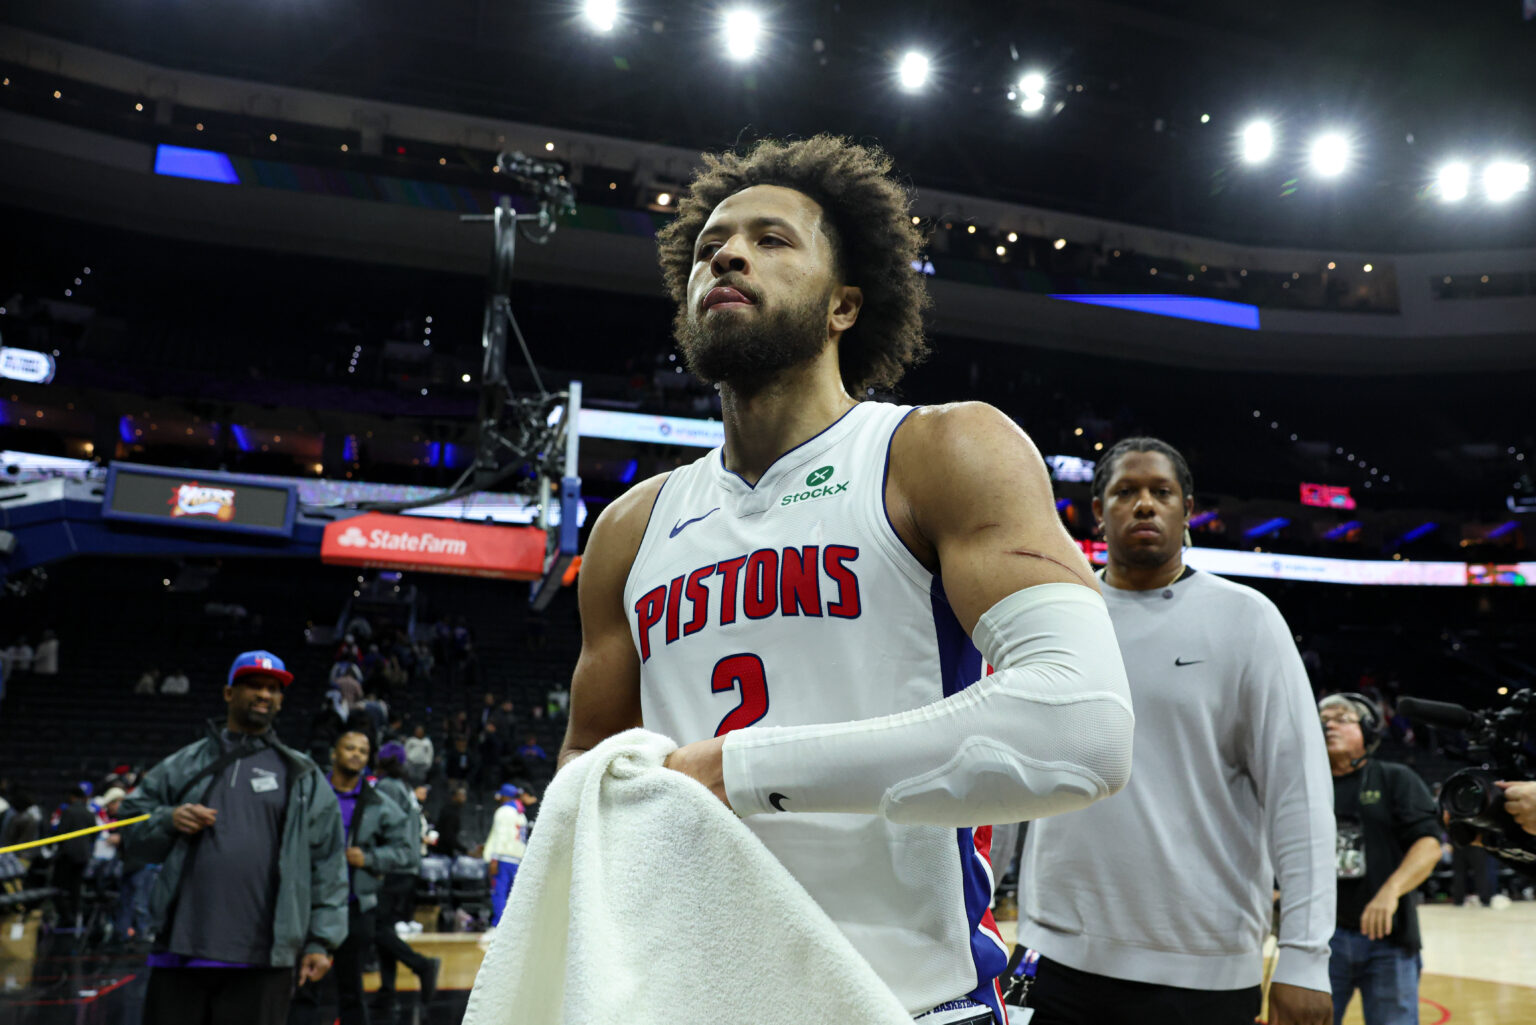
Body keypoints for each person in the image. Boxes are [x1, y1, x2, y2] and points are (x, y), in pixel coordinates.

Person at [557, 135, 1134, 1024]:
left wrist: (739, 769)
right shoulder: (631, 528)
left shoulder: (938, 452)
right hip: (693, 1000)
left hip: (906, 1002)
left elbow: (1081, 727)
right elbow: (586, 767)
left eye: (772, 239)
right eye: (711, 244)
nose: (729, 254)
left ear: (845, 306)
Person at [1015, 438, 1335, 1025]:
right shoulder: (1056, 615)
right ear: (1097, 511)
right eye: (1125, 492)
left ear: (1188, 509)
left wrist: (1306, 957)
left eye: (1160, 492)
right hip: (1053, 957)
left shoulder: (1248, 619)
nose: (1144, 505)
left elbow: (1300, 793)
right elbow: (1016, 767)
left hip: (1202, 969)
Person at [121, 650, 348, 1025]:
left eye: (273, 688)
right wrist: (168, 819)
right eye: (253, 685)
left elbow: (328, 863)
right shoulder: (184, 763)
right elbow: (130, 825)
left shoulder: (302, 775)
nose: (264, 695)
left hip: (264, 957)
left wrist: (321, 940)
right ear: (229, 693)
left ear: (281, 700)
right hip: (181, 948)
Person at [1321, 693, 1442, 1025]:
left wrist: (1390, 891)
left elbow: (1429, 844)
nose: (1328, 724)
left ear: (1369, 729)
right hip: (1319, 942)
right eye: (1322, 719)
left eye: (1341, 718)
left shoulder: (1394, 778)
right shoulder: (1304, 787)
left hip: (1388, 940)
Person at [289, 730, 423, 1025]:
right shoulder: (307, 792)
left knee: (351, 989)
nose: (355, 754)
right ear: (334, 753)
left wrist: (371, 858)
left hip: (354, 906)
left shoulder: (378, 802)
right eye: (349, 748)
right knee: (301, 988)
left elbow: (407, 851)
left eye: (362, 751)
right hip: (303, 904)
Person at [369, 743, 442, 1014]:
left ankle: (422, 965)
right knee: (384, 927)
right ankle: (387, 991)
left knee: (376, 928)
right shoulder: (404, 788)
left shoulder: (387, 786)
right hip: (408, 867)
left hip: (393, 866)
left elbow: (380, 824)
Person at [482, 784, 529, 931]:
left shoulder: (503, 811)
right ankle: (512, 929)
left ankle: (498, 927)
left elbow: (500, 837)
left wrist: (494, 858)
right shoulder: (521, 814)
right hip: (517, 860)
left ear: (505, 796)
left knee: (499, 893)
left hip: (502, 859)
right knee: (512, 895)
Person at [51, 786, 97, 928]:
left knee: (58, 887)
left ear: (73, 797)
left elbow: (61, 833)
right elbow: (94, 834)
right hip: (83, 856)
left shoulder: (68, 811)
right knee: (76, 888)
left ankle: (67, 917)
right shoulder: (89, 813)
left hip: (67, 855)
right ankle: (74, 915)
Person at [428, 784, 468, 858]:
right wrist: (465, 850)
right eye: (461, 795)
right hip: (441, 853)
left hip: (443, 851)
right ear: (454, 796)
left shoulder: (453, 810)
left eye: (464, 795)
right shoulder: (450, 812)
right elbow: (448, 836)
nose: (464, 798)